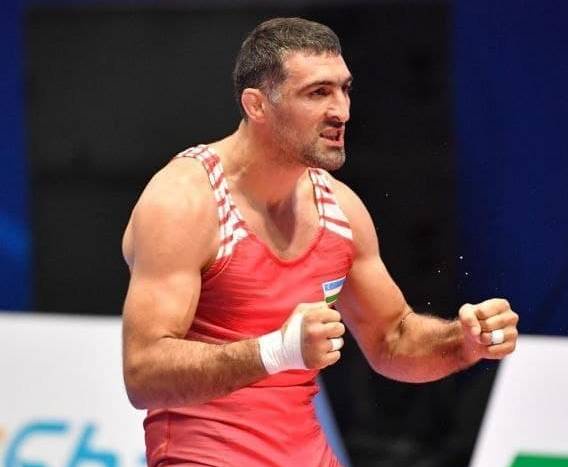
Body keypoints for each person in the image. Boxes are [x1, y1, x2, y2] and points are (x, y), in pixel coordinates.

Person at [121, 17, 519, 466]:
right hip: (204, 456)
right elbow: (143, 373)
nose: (341, 111)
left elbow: (392, 338)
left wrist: (461, 342)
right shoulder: (183, 200)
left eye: (344, 89)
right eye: (318, 93)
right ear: (256, 105)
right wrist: (276, 351)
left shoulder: (339, 209)